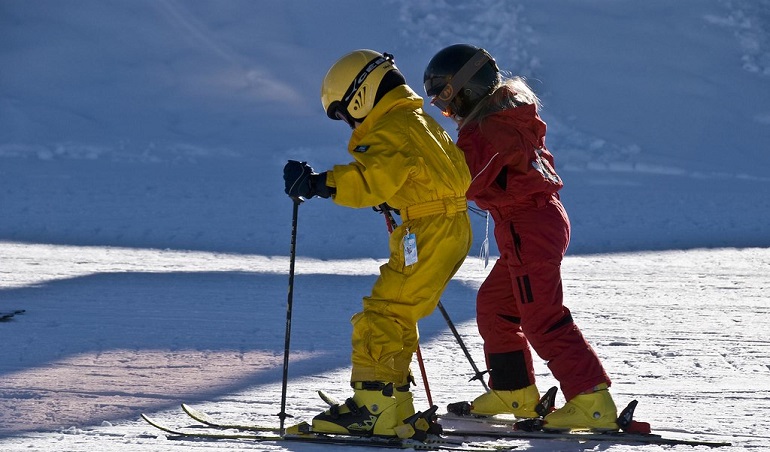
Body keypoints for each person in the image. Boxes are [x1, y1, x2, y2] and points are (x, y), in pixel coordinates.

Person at [422, 44, 618, 431]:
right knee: (495, 307)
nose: (449, 113)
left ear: (468, 89)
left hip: (529, 227)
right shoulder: (502, 118)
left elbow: (463, 181)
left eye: (448, 102)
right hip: (530, 225)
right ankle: (514, 390)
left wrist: (411, 191)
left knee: (541, 316)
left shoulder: (491, 130)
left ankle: (591, 399)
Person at [283, 49, 472, 438]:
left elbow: (372, 178)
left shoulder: (391, 128)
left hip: (430, 229)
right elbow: (439, 170)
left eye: (344, 113)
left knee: (382, 314)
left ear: (360, 96)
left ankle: (374, 406)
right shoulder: (418, 121)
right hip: (451, 225)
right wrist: (404, 196)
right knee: (397, 312)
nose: (348, 122)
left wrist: (319, 183)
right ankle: (395, 401)